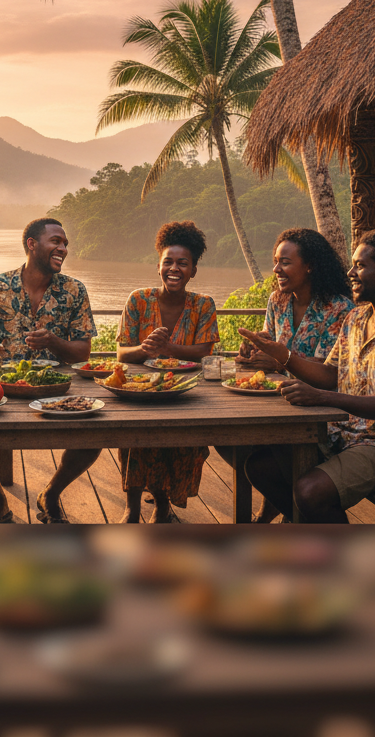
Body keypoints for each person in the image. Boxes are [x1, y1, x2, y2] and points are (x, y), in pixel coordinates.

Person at [240, 228, 375, 523]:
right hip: (344, 434)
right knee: (261, 466)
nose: (350, 272)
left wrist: (322, 398)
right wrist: (281, 354)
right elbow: (330, 374)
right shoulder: (357, 318)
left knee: (311, 492)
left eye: (360, 265)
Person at [0, 217, 97, 523]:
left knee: (96, 434)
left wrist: (52, 341)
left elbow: (83, 352)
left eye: (65, 243)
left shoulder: (74, 290)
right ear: (31, 244)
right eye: (56, 241)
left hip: (57, 387)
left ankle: (51, 493)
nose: (63, 248)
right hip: (2, 386)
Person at [229, 226, 354, 522]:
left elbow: (329, 372)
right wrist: (253, 353)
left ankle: (298, 518)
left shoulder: (338, 309)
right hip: (278, 399)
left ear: (310, 265)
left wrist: (278, 360)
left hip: (323, 409)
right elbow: (272, 345)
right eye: (276, 261)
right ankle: (293, 515)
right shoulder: (278, 301)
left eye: (285, 262)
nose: (276, 269)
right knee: (241, 450)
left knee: (260, 459)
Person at [116, 221, 219, 523]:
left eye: (182, 263)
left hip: (187, 392)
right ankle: (132, 509)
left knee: (182, 442)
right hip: (140, 390)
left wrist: (169, 349)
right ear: (158, 266)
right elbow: (122, 353)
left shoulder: (203, 305)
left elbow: (204, 352)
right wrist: (146, 350)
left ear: (193, 270)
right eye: (168, 262)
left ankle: (163, 506)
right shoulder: (138, 299)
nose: (174, 269)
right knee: (136, 439)